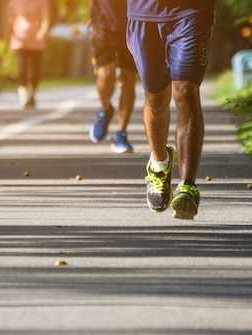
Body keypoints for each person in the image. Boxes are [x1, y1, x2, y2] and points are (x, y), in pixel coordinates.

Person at [126, 0, 215, 220]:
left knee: (185, 92)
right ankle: (158, 164)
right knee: (155, 100)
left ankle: (187, 186)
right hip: (143, 13)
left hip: (193, 10)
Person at [88, 0, 136, 154]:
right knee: (105, 74)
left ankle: (120, 134)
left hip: (133, 24)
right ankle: (105, 109)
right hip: (102, 25)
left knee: (128, 78)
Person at [6, 0, 50, 109]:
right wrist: (6, 39)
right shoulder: (15, 3)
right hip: (20, 41)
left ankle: (32, 96)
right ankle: (23, 96)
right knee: (22, 67)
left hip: (37, 41)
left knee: (35, 70)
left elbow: (46, 18)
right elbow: (10, 21)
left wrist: (43, 31)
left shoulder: (41, 2)